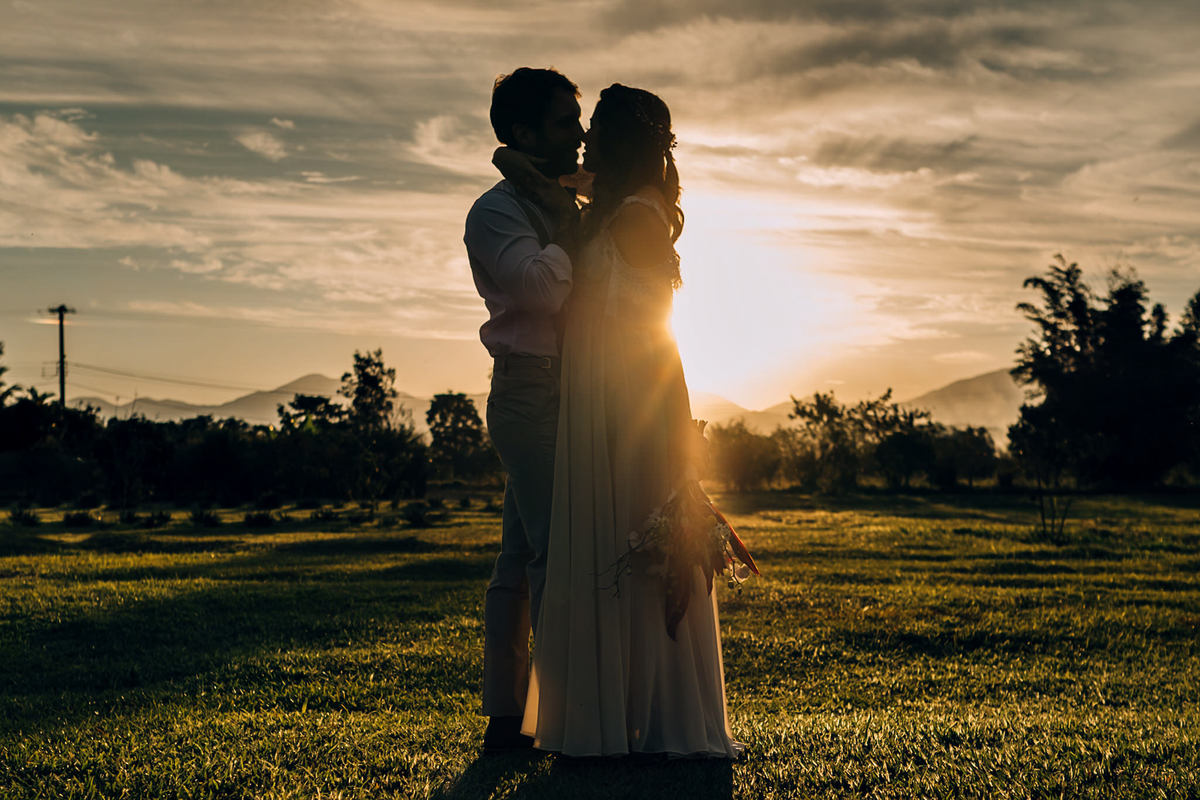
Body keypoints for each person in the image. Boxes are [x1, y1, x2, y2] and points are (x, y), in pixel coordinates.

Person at [496, 84, 745, 758]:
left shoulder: (637, 215)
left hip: (629, 403)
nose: (584, 140)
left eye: (595, 129)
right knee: (610, 544)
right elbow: (539, 176)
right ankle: (614, 711)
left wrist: (676, 431)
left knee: (638, 548)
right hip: (594, 396)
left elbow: (661, 334)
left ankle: (652, 717)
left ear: (619, 143)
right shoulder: (611, 204)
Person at [462, 67, 584, 753]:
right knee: (553, 555)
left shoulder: (570, 197)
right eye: (566, 122)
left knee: (517, 559)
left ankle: (507, 719)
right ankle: (558, 720)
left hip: (568, 390)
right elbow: (539, 289)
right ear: (524, 134)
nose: (580, 134)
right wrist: (567, 228)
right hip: (528, 391)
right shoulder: (495, 212)